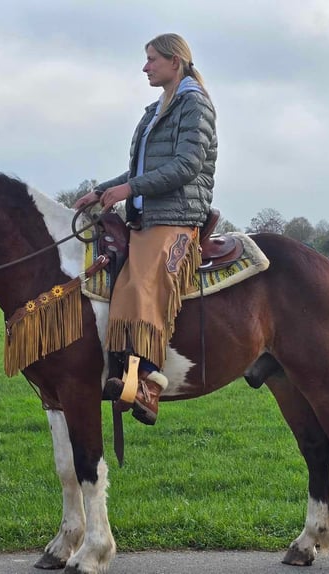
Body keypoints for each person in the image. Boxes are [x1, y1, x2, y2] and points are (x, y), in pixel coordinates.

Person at [74, 33, 217, 425]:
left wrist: (129, 189)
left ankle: (150, 382)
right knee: (121, 283)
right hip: (147, 217)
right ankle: (123, 373)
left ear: (176, 62)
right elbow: (139, 171)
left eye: (152, 59)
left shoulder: (195, 106)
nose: (145, 66)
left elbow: (186, 167)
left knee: (142, 285)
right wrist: (102, 190)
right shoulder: (157, 110)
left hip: (176, 217)